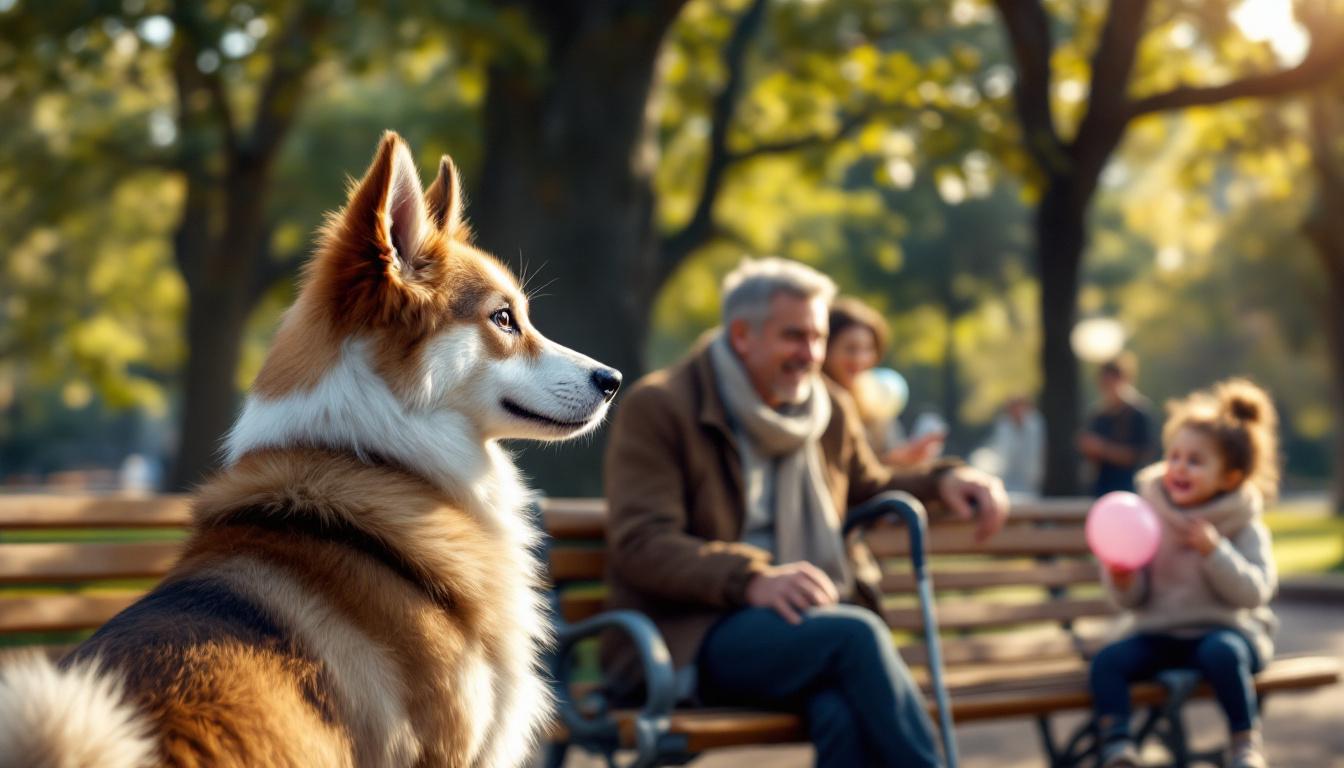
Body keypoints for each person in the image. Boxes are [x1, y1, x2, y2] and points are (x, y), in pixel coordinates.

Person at [601, 258, 1009, 768]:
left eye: (817, 337)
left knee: (837, 710)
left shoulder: (827, 408)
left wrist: (945, 478)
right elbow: (643, 544)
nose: (812, 355)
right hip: (691, 634)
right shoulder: (661, 406)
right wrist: (752, 578)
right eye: (795, 337)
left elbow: (870, 484)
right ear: (742, 335)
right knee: (853, 635)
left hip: (797, 627)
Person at [1089, 379, 1280, 768]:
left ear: (1229, 478)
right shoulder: (1148, 512)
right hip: (1158, 633)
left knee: (1223, 653)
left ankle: (1244, 742)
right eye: (1174, 456)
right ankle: (1118, 743)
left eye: (1195, 461)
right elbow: (1133, 600)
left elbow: (1254, 593)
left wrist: (1215, 552)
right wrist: (1124, 579)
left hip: (1221, 631)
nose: (1179, 467)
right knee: (1107, 662)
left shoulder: (1242, 523)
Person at [822, 296, 943, 467]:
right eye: (851, 349)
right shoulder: (817, 403)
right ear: (826, 348)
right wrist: (892, 463)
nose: (860, 359)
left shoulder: (877, 405)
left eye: (868, 349)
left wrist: (909, 459)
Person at [1079, 353, 1153, 496]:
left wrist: (1103, 449)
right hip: (1101, 489)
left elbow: (1144, 455)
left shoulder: (1138, 413)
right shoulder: (1098, 415)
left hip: (1131, 488)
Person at [987, 395, 1045, 495]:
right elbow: (1002, 453)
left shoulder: (1035, 425)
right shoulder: (1003, 426)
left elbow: (1036, 454)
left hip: (1030, 481)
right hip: (1007, 479)